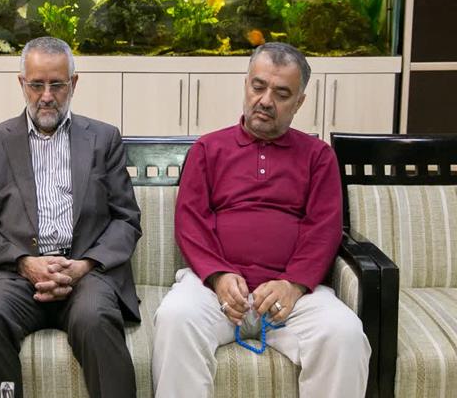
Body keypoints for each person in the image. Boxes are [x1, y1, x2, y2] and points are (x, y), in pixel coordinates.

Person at [152, 42, 370, 398]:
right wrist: (219, 275)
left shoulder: (318, 156)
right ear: (246, 85)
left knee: (344, 334)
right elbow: (190, 222)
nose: (266, 100)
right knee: (176, 318)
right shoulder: (208, 149)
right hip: (214, 291)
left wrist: (293, 284)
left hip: (293, 297)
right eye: (258, 87)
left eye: (281, 94)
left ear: (299, 102)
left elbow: (324, 228)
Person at [0, 36, 141, 398]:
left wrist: (83, 266)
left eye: (57, 85)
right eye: (36, 85)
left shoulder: (103, 139)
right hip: (16, 274)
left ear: (73, 83)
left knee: (96, 319)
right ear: (22, 83)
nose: (46, 96)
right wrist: (26, 263)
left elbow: (126, 219)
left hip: (85, 274)